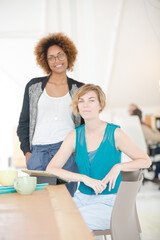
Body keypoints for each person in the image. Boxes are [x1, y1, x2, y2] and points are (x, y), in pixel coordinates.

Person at [46, 84, 151, 231]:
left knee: (71, 223)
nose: (85, 105)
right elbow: (51, 168)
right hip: (81, 198)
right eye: (81, 101)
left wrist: (118, 167)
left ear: (100, 105)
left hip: (109, 203)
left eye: (91, 100)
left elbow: (146, 160)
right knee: (51, 219)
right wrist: (83, 178)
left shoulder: (115, 133)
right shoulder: (74, 135)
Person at [17, 33, 84, 196]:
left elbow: (84, 127)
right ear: (46, 61)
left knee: (66, 204)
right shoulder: (33, 87)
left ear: (68, 56)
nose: (57, 61)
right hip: (38, 154)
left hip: (67, 153)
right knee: (39, 204)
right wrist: (28, 153)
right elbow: (23, 124)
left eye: (60, 55)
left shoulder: (79, 89)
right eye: (51, 57)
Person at [131, 108, 160, 182]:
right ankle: (156, 176)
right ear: (141, 117)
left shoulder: (130, 127)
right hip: (143, 154)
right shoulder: (142, 128)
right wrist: (150, 126)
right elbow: (157, 138)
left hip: (131, 154)